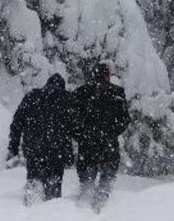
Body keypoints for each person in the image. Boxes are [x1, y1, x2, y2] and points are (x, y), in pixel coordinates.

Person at [71, 63, 131, 212]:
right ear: (107, 75)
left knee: (86, 185)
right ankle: (101, 211)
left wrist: (81, 135)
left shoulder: (81, 92)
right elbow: (125, 119)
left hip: (87, 148)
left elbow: (71, 120)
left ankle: (82, 212)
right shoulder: (117, 92)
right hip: (108, 147)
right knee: (106, 183)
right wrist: (111, 132)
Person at [7, 74, 74, 205]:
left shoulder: (31, 96)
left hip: (34, 148)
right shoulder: (66, 99)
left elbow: (17, 123)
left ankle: (32, 206)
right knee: (53, 185)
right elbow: (74, 127)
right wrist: (69, 152)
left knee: (34, 180)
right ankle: (50, 208)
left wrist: (13, 145)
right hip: (57, 151)